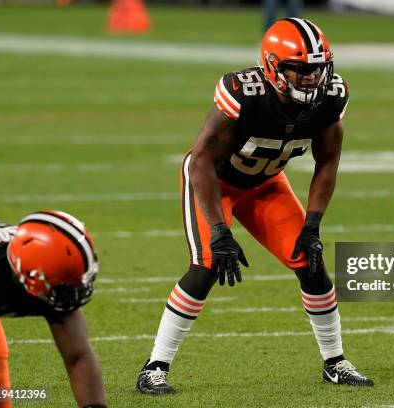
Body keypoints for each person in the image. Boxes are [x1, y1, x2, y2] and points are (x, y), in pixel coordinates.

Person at [136, 17, 373, 395]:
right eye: (300, 70)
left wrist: (312, 226)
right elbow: (200, 162)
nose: (311, 79)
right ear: (273, 66)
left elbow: (327, 162)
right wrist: (219, 231)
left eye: (317, 69)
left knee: (310, 261)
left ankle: (335, 362)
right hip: (214, 182)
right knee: (208, 265)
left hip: (266, 183)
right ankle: (154, 367)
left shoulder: (332, 97)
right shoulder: (243, 92)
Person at [0, 211, 106, 408]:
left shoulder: (52, 273)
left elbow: (78, 357)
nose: (71, 293)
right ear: (28, 274)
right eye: (62, 286)